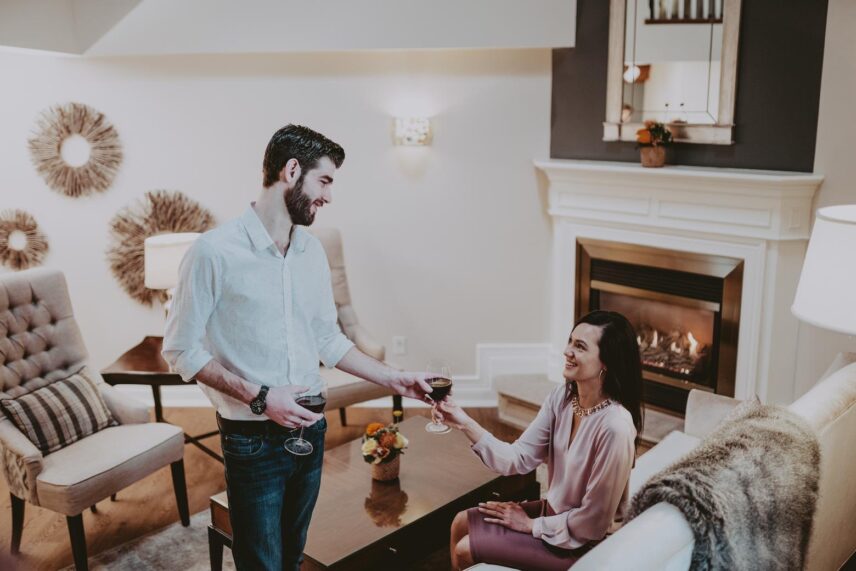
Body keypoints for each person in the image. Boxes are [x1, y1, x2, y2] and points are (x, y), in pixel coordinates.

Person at [162, 124, 433, 571]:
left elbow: (328, 339)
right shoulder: (212, 253)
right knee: (261, 562)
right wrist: (262, 397)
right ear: (291, 171)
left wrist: (394, 378)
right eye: (324, 181)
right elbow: (180, 350)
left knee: (292, 557)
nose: (328, 196)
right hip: (252, 437)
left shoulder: (311, 252)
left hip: (311, 424)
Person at [439, 310, 643, 571]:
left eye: (580, 347)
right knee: (460, 522)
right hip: (554, 514)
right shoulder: (562, 398)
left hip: (586, 545)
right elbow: (517, 458)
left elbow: (594, 522)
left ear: (606, 362)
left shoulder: (615, 426)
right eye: (570, 341)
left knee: (465, 549)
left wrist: (531, 525)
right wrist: (462, 421)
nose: (567, 351)